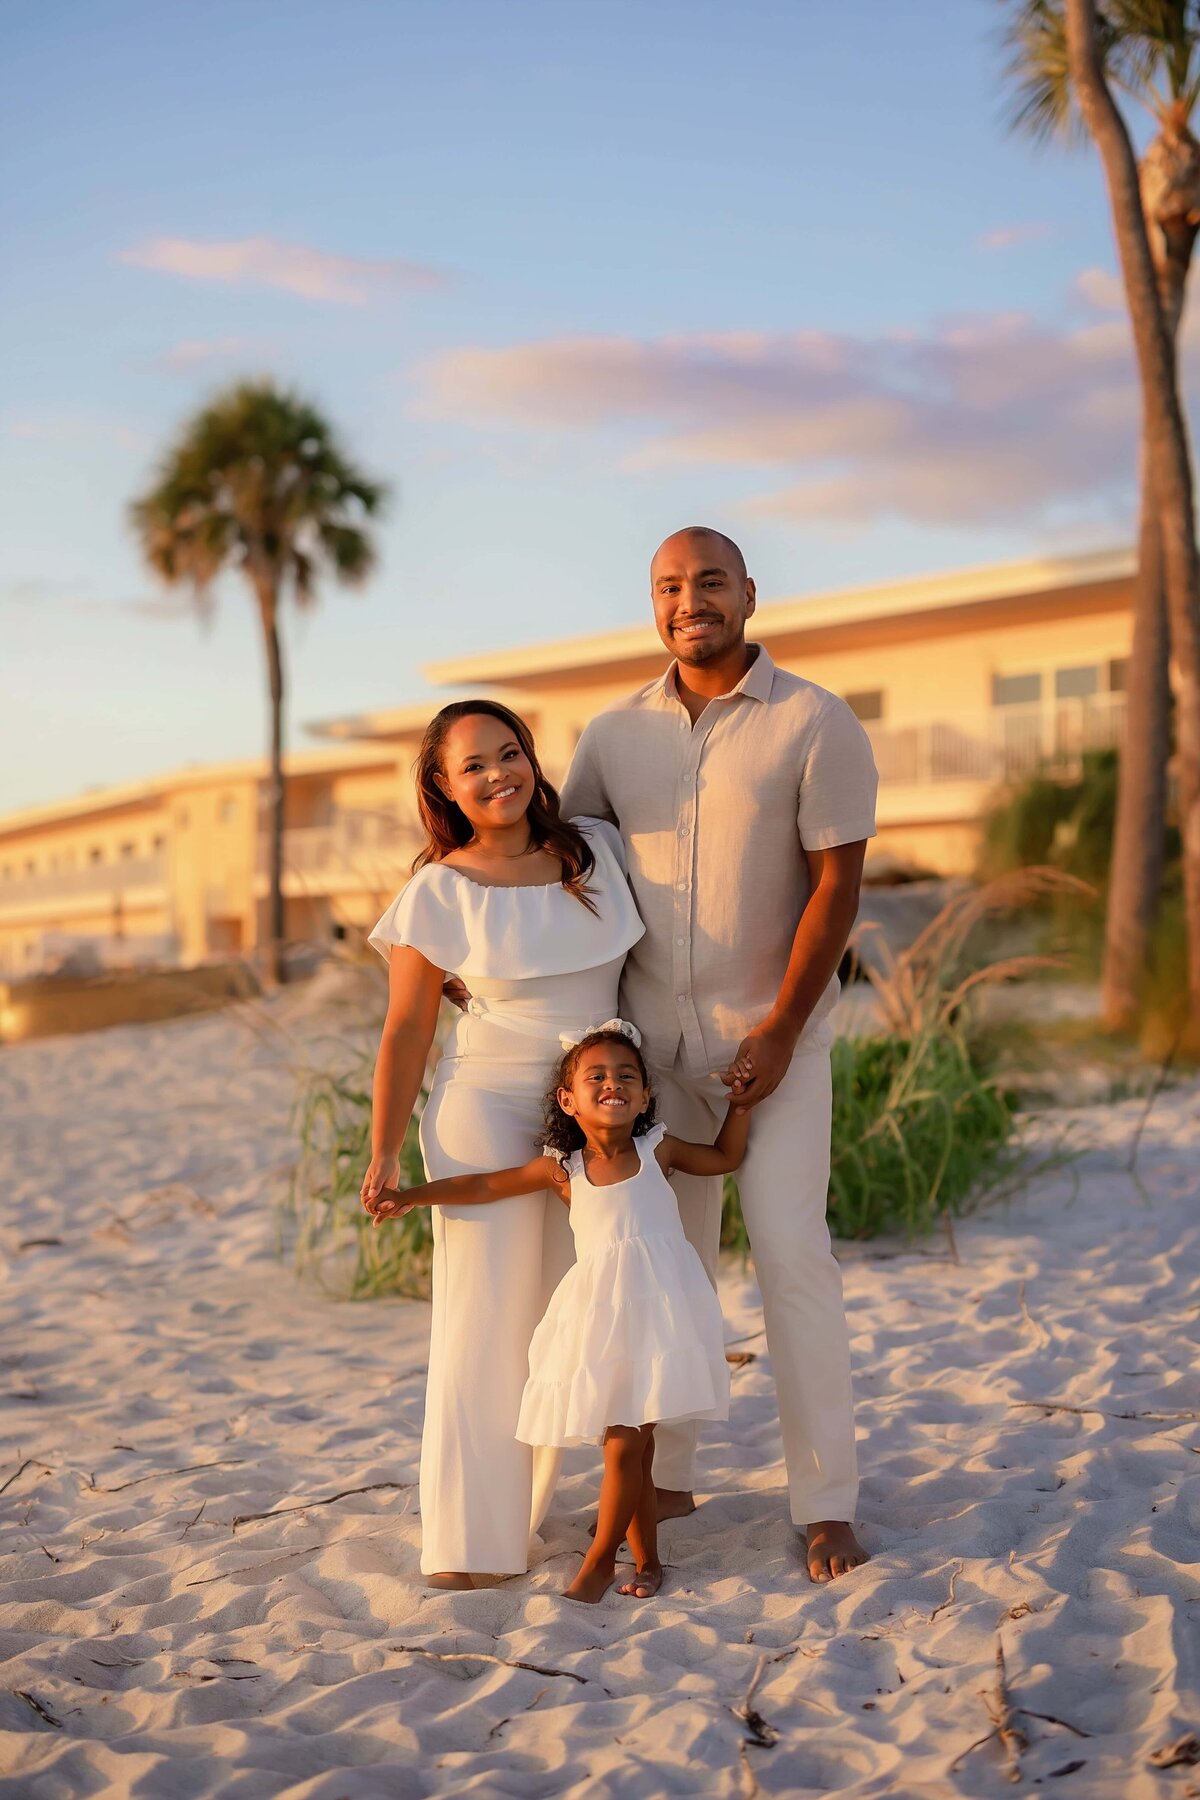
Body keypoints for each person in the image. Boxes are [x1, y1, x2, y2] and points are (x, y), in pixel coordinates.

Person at [560, 526, 878, 1584]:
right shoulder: (608, 738)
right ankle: (674, 1474)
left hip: (771, 1046)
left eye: (707, 581)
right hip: (648, 1061)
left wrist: (782, 1030)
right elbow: (570, 877)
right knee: (669, 1271)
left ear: (748, 592)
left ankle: (825, 1500)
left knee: (793, 1260)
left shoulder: (814, 721)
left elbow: (836, 887)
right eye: (667, 586)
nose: (688, 599)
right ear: (652, 605)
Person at [361, 699, 644, 1587]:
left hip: (591, 1114)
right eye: (473, 765)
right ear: (443, 785)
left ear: (532, 759)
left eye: (509, 753)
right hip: (481, 1108)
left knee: (573, 1313)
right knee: (483, 1322)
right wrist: (383, 1153)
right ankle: (472, 1544)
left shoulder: (593, 850)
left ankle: (528, 1511)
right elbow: (407, 1029)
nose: (497, 775)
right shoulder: (439, 890)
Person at [368, 1021, 748, 1603]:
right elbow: (487, 1185)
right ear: (568, 1101)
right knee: (630, 1444)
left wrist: (741, 1103)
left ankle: (600, 1562)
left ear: (645, 1096)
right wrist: (412, 1196)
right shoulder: (563, 1169)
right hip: (602, 1314)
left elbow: (725, 1157)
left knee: (629, 1439)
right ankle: (646, 1563)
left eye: (627, 1075)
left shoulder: (658, 1149)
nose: (613, 1083)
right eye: (595, 1076)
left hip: (662, 1307)